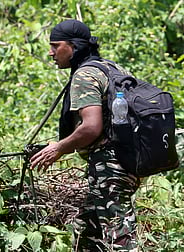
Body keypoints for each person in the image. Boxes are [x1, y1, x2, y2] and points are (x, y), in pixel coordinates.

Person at [30, 20, 140, 251]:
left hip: (110, 166)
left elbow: (91, 127)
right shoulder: (113, 68)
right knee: (86, 230)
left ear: (74, 46)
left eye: (55, 45)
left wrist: (58, 148)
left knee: (120, 238)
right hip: (129, 159)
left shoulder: (84, 75)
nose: (51, 53)